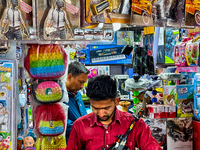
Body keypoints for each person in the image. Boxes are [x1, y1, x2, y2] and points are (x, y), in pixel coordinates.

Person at [67, 75, 162, 150]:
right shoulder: (80, 126)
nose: (101, 114)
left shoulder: (134, 124)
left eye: (106, 108)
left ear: (117, 101)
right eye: (95, 108)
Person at [64, 62, 90, 144]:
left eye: (84, 83)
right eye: (80, 82)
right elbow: (61, 123)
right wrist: (84, 128)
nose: (82, 86)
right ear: (70, 77)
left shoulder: (77, 95)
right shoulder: (59, 96)